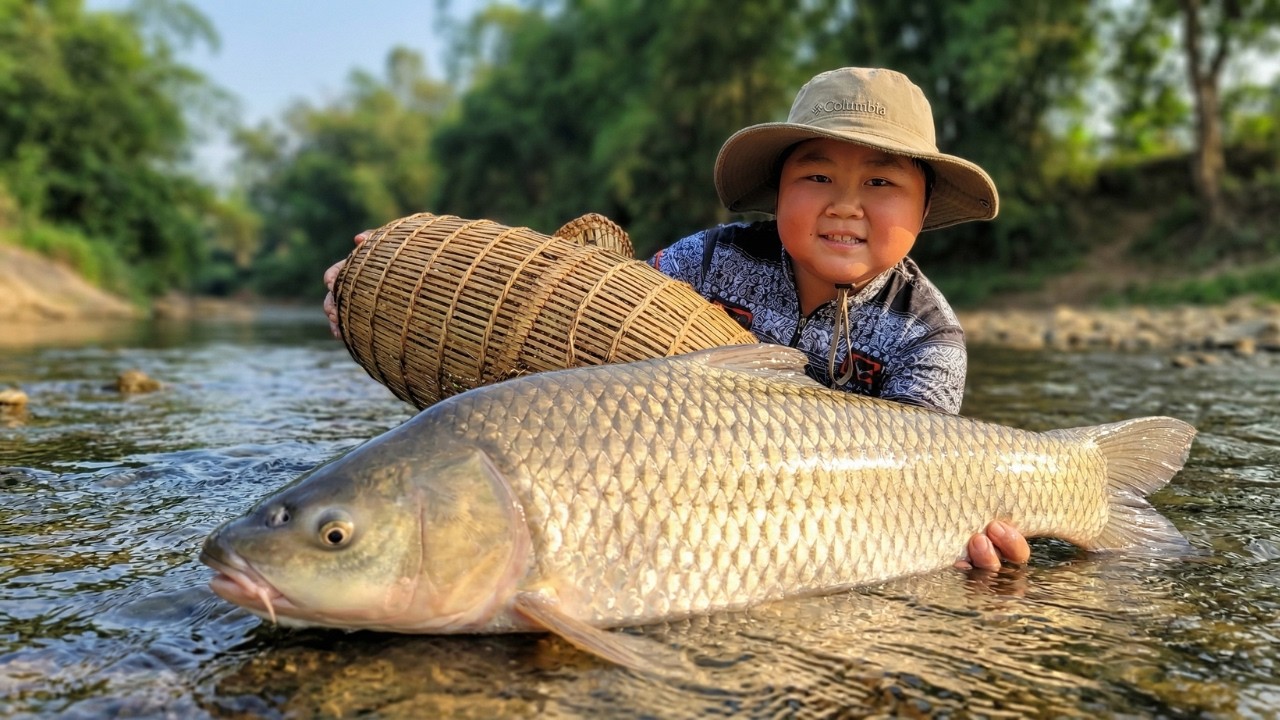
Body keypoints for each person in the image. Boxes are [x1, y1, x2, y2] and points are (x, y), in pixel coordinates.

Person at [322, 67, 1029, 570]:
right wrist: (392, 274)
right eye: (817, 176)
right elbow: (582, 311)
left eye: (881, 182)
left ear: (924, 209)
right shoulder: (707, 260)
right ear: (778, 190)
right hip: (681, 505)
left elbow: (928, 471)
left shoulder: (926, 335)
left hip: (824, 515)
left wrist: (968, 532)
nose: (846, 203)